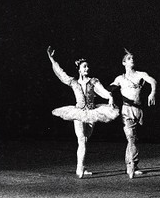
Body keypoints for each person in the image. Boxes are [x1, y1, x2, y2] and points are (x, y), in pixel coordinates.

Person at [47, 46, 118, 178]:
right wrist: (52, 59)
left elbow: (102, 91)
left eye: (87, 66)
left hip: (92, 112)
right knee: (81, 139)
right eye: (84, 67)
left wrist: (110, 97)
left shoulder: (93, 81)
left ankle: (82, 166)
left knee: (85, 139)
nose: (87, 68)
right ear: (79, 69)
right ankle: (79, 168)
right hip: (78, 113)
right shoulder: (73, 82)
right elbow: (61, 73)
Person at [110, 49, 157, 178]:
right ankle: (131, 166)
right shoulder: (120, 78)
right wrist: (110, 96)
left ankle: (131, 164)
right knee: (130, 137)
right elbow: (110, 89)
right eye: (129, 58)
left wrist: (152, 92)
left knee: (133, 139)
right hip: (126, 110)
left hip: (138, 110)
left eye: (133, 58)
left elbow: (153, 81)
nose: (132, 59)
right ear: (123, 62)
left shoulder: (140, 74)